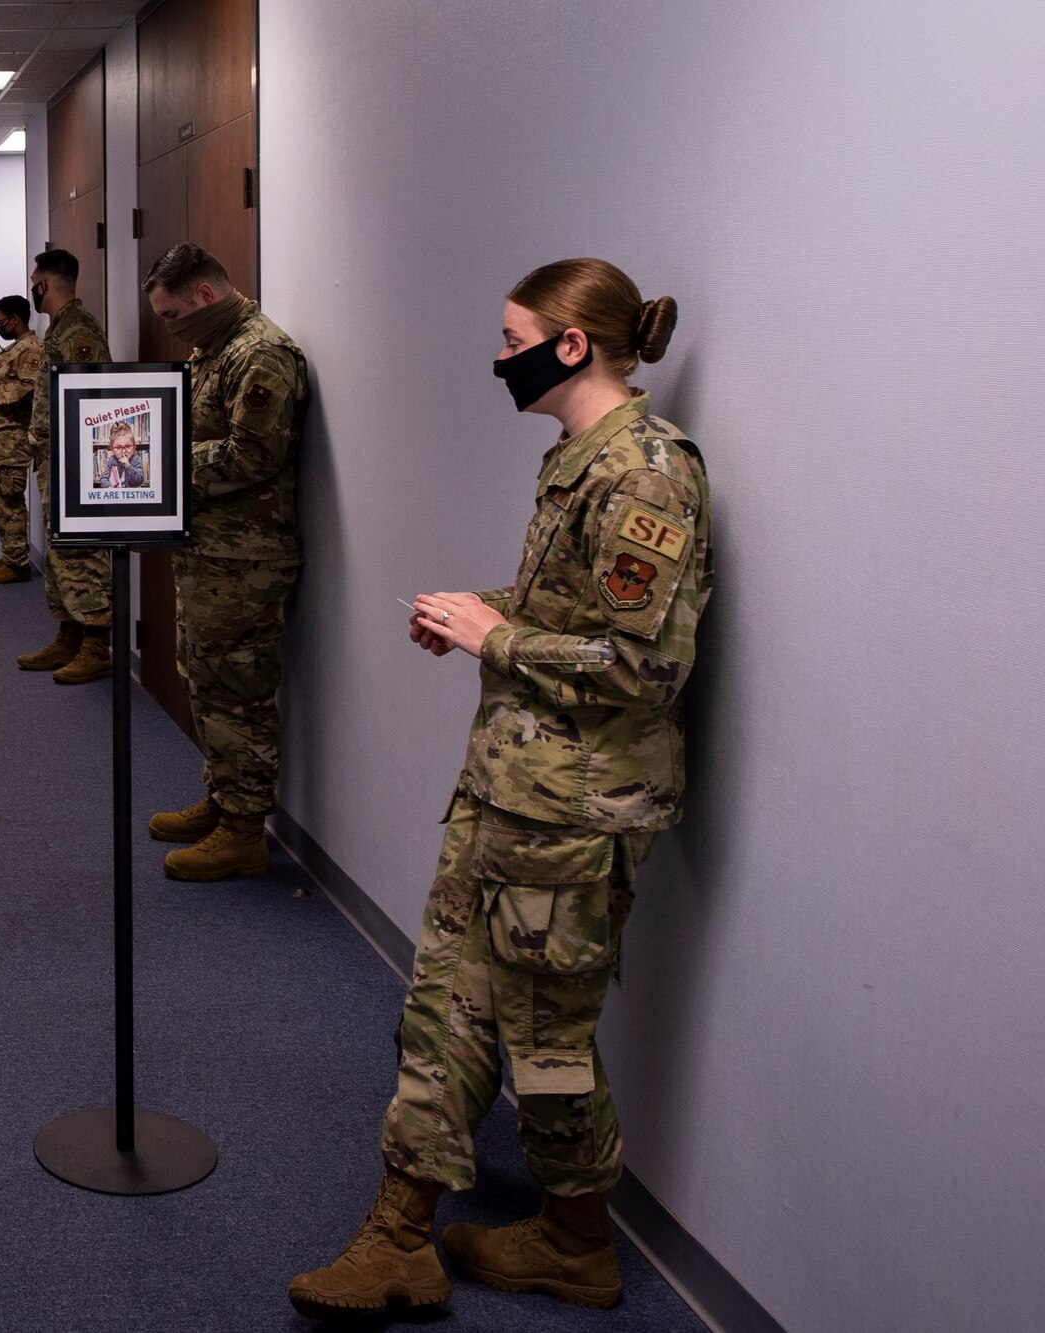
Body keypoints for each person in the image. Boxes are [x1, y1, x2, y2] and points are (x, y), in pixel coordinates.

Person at [287, 259, 711, 1319]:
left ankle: (576, 1237)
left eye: (511, 334)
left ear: (568, 346)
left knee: (541, 1037)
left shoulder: (646, 473)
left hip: (576, 814)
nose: (496, 354)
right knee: (445, 1003)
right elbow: (559, 611)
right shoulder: (577, 456)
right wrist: (476, 610)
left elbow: (644, 669)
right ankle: (397, 1237)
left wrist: (498, 636)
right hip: (509, 788)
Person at [140, 243, 308, 881]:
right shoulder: (213, 348)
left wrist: (156, 465)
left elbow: (251, 456)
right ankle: (221, 798)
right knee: (205, 680)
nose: (169, 325)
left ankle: (244, 831)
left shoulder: (260, 354)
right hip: (212, 551)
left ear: (206, 296)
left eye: (173, 312)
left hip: (247, 560)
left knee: (237, 691)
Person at [18, 249, 114, 685]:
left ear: (44, 285)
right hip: (54, 460)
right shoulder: (59, 328)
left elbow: (90, 399)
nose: (32, 289)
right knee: (59, 550)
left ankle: (96, 645)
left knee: (82, 551)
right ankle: (69, 635)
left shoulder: (79, 329)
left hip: (75, 463)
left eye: (34, 281)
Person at [0, 294, 45, 584]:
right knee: (1, 500)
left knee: (9, 498)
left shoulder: (31, 350)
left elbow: (27, 389)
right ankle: (11, 553)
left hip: (14, 434)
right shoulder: (14, 350)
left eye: (1, 321)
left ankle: (17, 565)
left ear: (15, 320)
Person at [98, 421, 147, 488]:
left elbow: (138, 481)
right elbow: (104, 479)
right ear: (112, 449)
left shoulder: (137, 460)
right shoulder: (111, 460)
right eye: (118, 447)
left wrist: (128, 466)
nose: (123, 451)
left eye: (128, 446)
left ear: (134, 447)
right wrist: (109, 487)